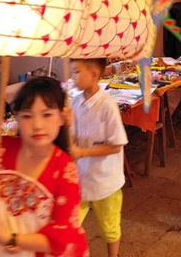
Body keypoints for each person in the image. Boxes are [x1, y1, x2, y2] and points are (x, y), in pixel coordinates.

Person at [0, 77, 89, 257]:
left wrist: (8, 238)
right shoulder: (0, 151)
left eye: (47, 114)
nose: (37, 125)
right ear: (16, 117)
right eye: (27, 116)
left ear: (62, 117)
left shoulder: (65, 169)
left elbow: (62, 239)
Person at [70, 59, 128, 257]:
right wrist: (66, 122)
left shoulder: (107, 105)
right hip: (80, 178)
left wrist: (83, 152)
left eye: (77, 72)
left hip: (105, 181)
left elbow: (116, 144)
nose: (73, 77)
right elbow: (71, 140)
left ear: (94, 74)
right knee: (69, 223)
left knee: (110, 228)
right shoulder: (75, 102)